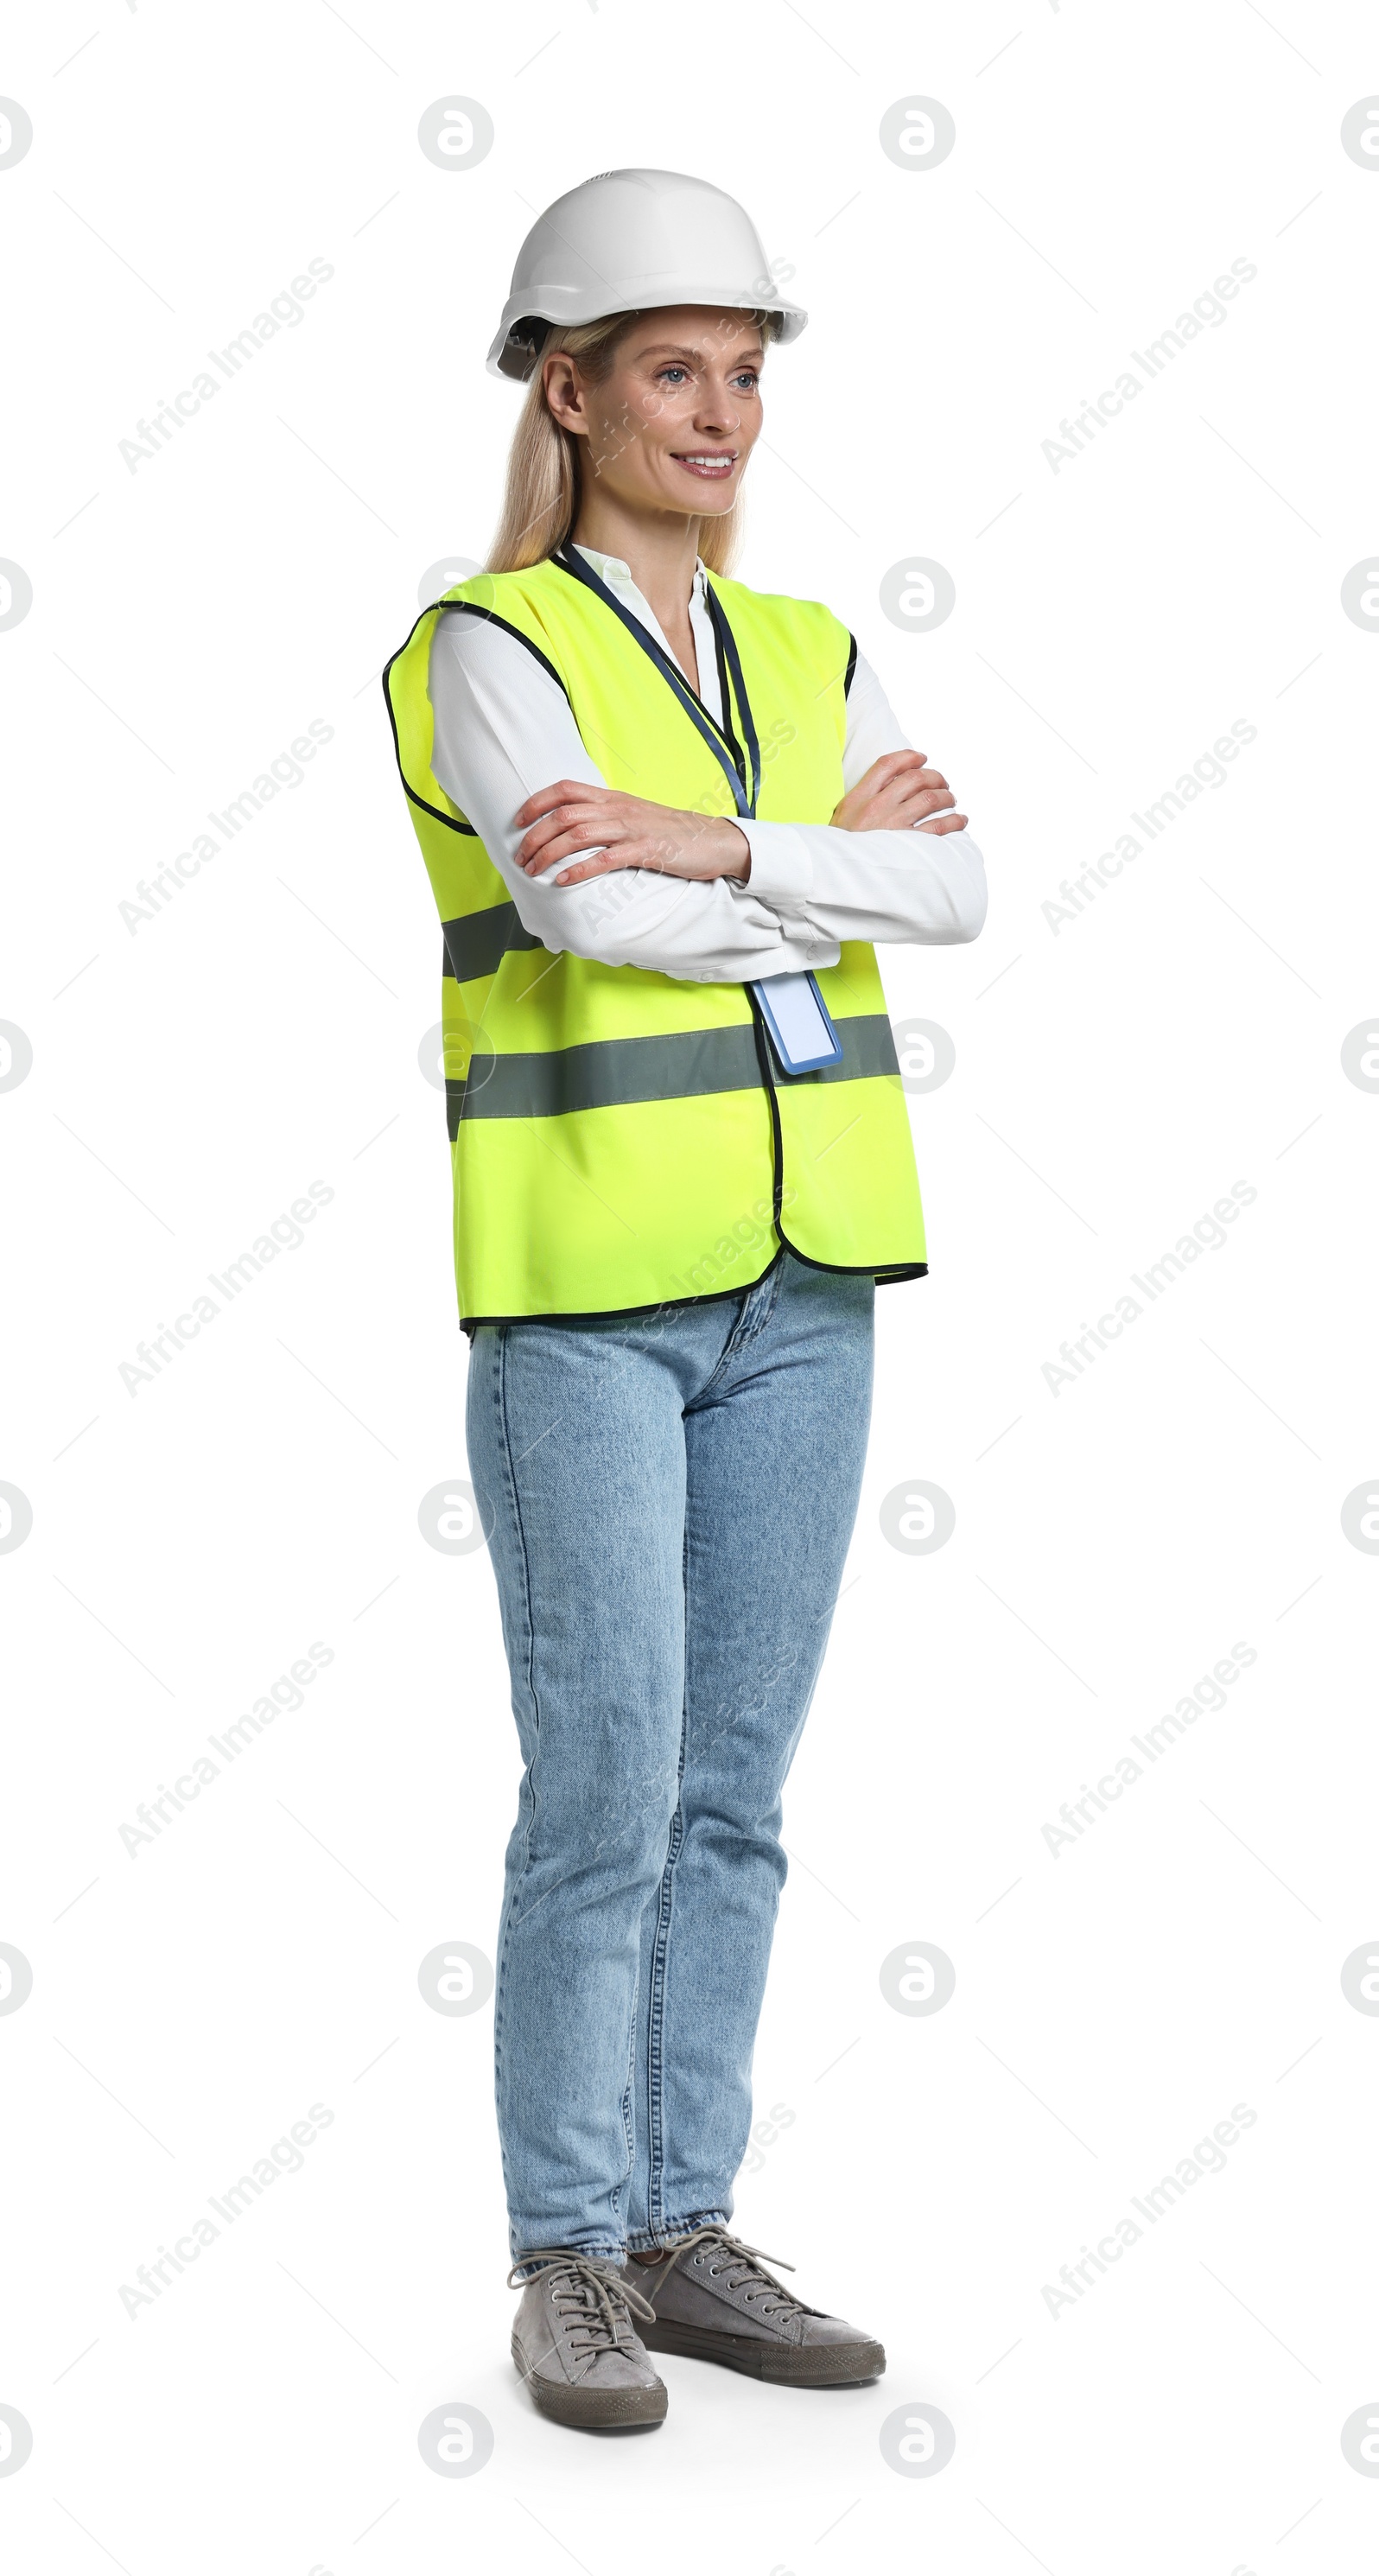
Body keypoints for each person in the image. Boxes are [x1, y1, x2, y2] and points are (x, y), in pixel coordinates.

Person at [384, 168, 987, 2433]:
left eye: (746, 370)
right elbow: (586, 930)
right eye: (672, 369)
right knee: (609, 1776)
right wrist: (834, 885)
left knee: (736, 1786)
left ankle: (682, 2222)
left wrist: (732, 847)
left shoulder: (814, 648)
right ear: (570, 386)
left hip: (808, 1285)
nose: (723, 411)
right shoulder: (486, 645)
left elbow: (963, 878)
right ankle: (567, 2252)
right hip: (590, 1298)